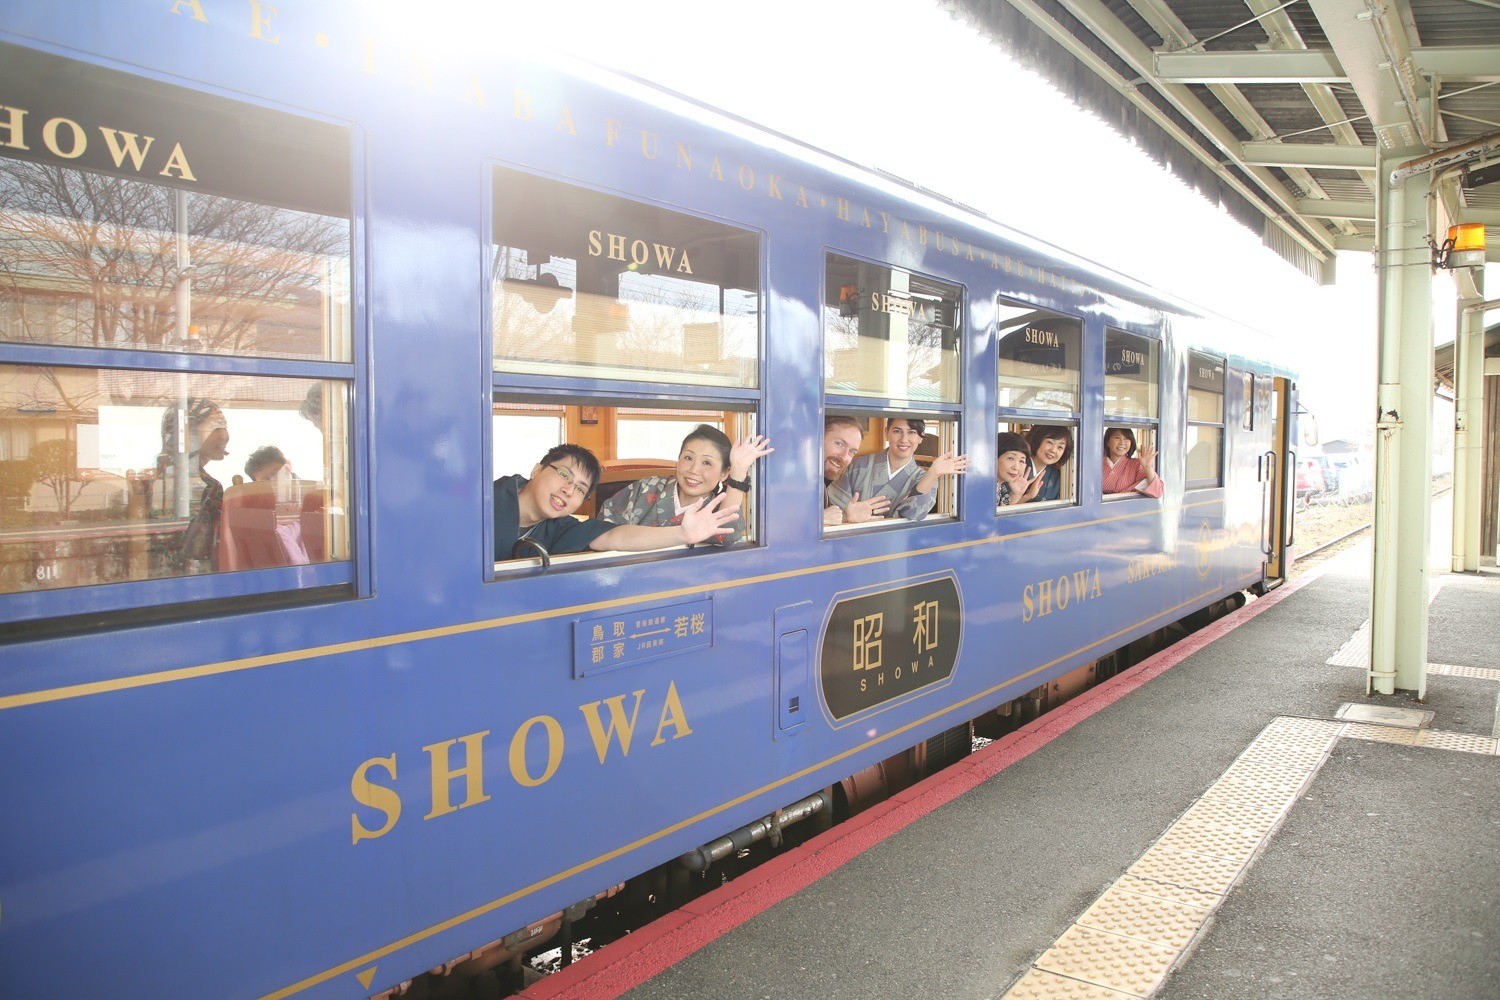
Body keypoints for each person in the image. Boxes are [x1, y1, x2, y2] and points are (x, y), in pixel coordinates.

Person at [493, 443, 739, 562]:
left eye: (580, 489)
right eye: (564, 474)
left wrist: (683, 534)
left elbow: (613, 536)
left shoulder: (559, 526)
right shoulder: (482, 502)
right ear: (537, 470)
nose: (569, 490)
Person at [598, 425, 773, 546]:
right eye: (688, 458)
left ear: (724, 473)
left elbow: (727, 534)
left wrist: (739, 470)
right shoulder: (648, 486)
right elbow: (602, 529)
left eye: (707, 463)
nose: (694, 470)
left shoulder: (715, 509)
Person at [830, 417, 969, 522]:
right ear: (886, 433)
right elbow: (832, 507)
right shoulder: (858, 465)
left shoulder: (925, 479)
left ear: (920, 438)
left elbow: (912, 515)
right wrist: (848, 516)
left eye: (912, 432)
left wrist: (933, 473)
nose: (904, 439)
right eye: (897, 431)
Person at [158, 397, 229, 569]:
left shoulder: (164, 477)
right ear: (187, 434)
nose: (224, 435)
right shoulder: (205, 487)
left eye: (224, 427)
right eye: (215, 427)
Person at [822, 416, 889, 525]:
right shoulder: (792, 478)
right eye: (839, 444)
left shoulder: (822, 480)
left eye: (852, 452)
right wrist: (818, 520)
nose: (844, 457)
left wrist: (846, 516)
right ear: (819, 437)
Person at [1102, 426, 1163, 498]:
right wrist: (1130, 489)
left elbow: (1157, 491)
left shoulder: (1136, 465)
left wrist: (1148, 467)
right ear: (1107, 442)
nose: (1122, 443)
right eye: (1117, 438)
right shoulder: (1096, 463)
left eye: (1126, 439)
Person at [1021, 425, 1073, 503]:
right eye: (1050, 442)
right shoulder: (1017, 466)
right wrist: (1027, 497)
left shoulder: (1059, 477)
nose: (1053, 450)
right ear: (1037, 440)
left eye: (1060, 447)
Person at [996, 432, 1032, 507]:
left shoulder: (998, 486)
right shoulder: (985, 486)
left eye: (1022, 461)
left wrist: (1016, 494)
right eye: (1011, 458)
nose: (1016, 467)